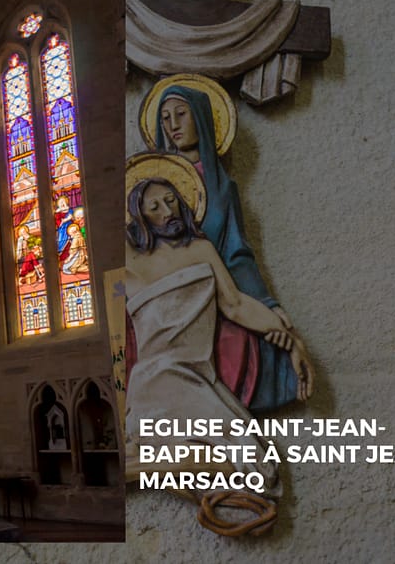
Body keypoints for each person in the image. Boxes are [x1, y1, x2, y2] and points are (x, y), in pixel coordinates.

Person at [124, 175, 314, 495]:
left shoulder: (201, 249)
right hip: (157, 380)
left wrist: (293, 343)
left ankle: (133, 468)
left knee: (257, 466)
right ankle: (136, 466)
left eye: (171, 200)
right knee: (253, 466)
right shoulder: (130, 263)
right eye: (154, 206)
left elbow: (237, 305)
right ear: (140, 216)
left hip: (196, 374)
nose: (166, 210)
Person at [154, 85, 299, 411]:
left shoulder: (221, 187)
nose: (172, 125)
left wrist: (266, 304)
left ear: (202, 119)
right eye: (164, 119)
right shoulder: (155, 186)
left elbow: (236, 251)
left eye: (180, 115)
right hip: (171, 303)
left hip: (219, 298)